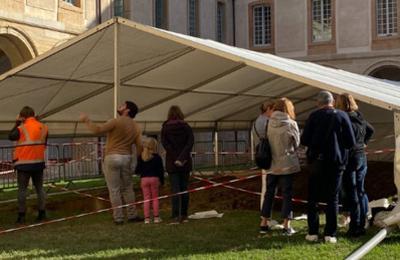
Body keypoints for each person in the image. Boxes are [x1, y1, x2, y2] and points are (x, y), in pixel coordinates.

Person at [301, 91, 356, 244]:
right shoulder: (342, 116)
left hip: (316, 162)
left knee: (313, 198)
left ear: (318, 103)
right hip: (336, 162)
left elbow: (304, 140)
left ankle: (312, 232)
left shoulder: (313, 116)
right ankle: (330, 234)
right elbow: (351, 142)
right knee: (333, 198)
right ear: (332, 102)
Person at [79, 101, 143, 225]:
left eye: (123, 105)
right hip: (127, 157)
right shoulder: (136, 126)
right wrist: (136, 157)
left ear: (127, 110)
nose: (120, 106)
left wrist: (86, 120)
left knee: (114, 190)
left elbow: (97, 130)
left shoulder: (115, 121)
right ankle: (132, 215)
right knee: (128, 188)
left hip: (112, 157)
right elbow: (139, 145)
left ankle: (118, 218)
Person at [259, 98, 300, 236]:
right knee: (287, 195)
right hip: (287, 164)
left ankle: (264, 223)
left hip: (272, 165)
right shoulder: (292, 124)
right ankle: (286, 226)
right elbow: (297, 144)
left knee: (269, 194)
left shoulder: (268, 123)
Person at [336, 93, 374, 237]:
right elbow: (371, 130)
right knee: (360, 190)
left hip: (351, 158)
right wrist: (364, 143)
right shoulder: (359, 116)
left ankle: (356, 227)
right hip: (361, 156)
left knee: (352, 193)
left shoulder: (343, 119)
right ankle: (365, 219)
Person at [9, 106, 48, 224]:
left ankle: (21, 216)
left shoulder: (21, 128)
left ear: (22, 116)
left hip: (24, 164)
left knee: (22, 190)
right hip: (39, 162)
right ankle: (42, 213)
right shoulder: (44, 127)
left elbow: (11, 136)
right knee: (40, 189)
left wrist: (17, 122)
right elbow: (44, 143)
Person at [161, 105, 194, 224]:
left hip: (172, 163)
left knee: (175, 189)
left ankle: (175, 215)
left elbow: (165, 144)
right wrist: (182, 157)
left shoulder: (165, 128)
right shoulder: (186, 127)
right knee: (184, 189)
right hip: (185, 163)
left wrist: (175, 158)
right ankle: (184, 215)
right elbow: (190, 143)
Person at [135, 137, 165, 224]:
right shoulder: (157, 157)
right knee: (155, 198)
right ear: (154, 146)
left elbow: (137, 171)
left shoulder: (141, 157)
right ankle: (156, 217)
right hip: (154, 179)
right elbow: (161, 171)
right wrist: (162, 181)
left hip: (144, 179)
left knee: (146, 199)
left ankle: (147, 219)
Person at [253, 101, 275, 209]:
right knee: (268, 186)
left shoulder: (257, 121)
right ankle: (265, 212)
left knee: (266, 185)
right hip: (267, 155)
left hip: (262, 155)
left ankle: (265, 211)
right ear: (268, 109)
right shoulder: (266, 121)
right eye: (273, 110)